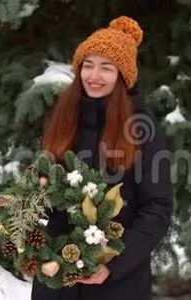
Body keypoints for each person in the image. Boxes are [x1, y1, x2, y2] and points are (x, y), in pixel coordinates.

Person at [33, 16, 173, 300]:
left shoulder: (139, 127)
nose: (94, 76)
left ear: (122, 76)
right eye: (88, 65)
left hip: (117, 285)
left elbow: (157, 208)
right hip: (57, 279)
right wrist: (32, 199)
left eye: (106, 68)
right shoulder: (63, 119)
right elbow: (50, 198)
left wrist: (114, 263)